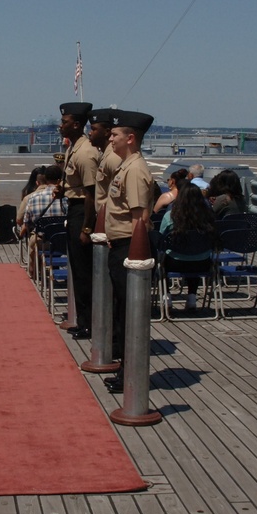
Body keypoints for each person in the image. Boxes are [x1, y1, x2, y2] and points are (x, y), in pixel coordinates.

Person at [103, 110, 154, 394]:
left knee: (129, 313)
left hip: (128, 251)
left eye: (115, 134)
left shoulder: (134, 170)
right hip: (120, 246)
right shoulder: (126, 166)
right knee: (124, 311)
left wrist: (131, 254)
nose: (110, 138)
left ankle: (129, 373)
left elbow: (139, 219)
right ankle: (127, 369)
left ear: (130, 138)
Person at [57, 102, 97, 339]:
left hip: (82, 212)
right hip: (74, 208)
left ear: (77, 124)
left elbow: (91, 192)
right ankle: (83, 320)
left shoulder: (85, 152)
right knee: (78, 270)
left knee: (84, 273)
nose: (61, 126)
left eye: (65, 122)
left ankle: (90, 323)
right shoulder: (74, 148)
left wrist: (87, 227)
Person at [159, 184, 217, 312]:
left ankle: (167, 296)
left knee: (163, 262)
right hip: (202, 263)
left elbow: (162, 238)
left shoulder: (170, 216)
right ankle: (192, 297)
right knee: (195, 252)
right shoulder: (208, 217)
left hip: (174, 263)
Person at [21, 165, 67, 278]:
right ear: (59, 180)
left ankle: (33, 273)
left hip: (43, 241)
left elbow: (26, 223)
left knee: (33, 241)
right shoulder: (66, 198)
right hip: (64, 241)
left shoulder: (33, 198)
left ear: (45, 179)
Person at [89, 108, 121, 213]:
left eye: (94, 129)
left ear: (107, 132)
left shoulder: (113, 158)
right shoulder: (106, 155)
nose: (89, 133)